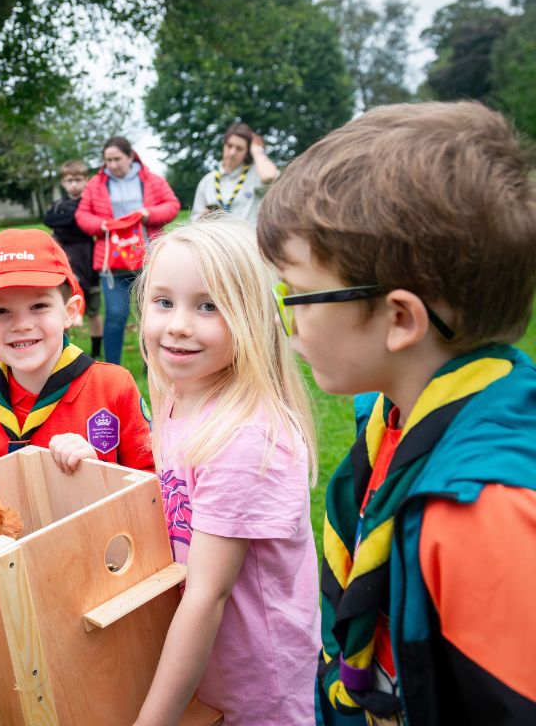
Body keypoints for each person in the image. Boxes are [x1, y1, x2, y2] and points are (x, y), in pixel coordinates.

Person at [258, 101, 536, 725]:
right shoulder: (393, 418)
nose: (288, 318)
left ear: (401, 319)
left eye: (297, 294)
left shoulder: (481, 513)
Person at [134, 216, 318, 725]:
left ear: (253, 317)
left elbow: (206, 596)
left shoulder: (243, 440)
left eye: (209, 306)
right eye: (164, 301)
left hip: (255, 684)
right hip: (204, 670)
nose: (178, 324)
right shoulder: (179, 400)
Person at [0, 229, 153, 472]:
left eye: (39, 306)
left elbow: (154, 484)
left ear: (70, 312)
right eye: (0, 311)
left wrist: (101, 472)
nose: (22, 325)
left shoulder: (113, 387)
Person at [75, 136, 180, 365]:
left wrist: (147, 214)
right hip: (112, 263)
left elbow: (172, 205)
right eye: (108, 160)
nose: (112, 165)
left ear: (131, 156)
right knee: (115, 314)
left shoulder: (151, 180)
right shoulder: (96, 184)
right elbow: (82, 215)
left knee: (151, 314)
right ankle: (112, 367)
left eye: (117, 159)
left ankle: (152, 365)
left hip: (148, 258)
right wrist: (100, 225)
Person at [43, 159, 104, 357]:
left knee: (94, 309)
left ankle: (95, 353)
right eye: (70, 180)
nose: (74, 185)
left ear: (86, 180)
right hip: (66, 260)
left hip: (89, 259)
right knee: (62, 307)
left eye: (78, 180)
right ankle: (62, 351)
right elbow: (51, 222)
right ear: (63, 182)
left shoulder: (91, 204)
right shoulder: (59, 205)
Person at [190, 122, 279, 224]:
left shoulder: (255, 174)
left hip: (247, 238)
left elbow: (269, 176)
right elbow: (193, 221)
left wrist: (257, 150)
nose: (232, 152)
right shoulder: (207, 181)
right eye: (229, 146)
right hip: (217, 239)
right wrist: (204, 216)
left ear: (247, 152)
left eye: (239, 148)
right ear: (224, 145)